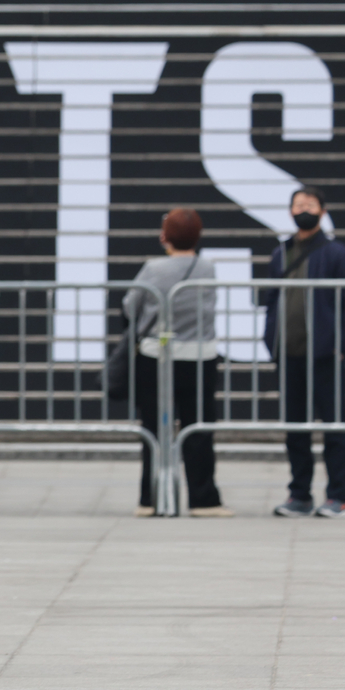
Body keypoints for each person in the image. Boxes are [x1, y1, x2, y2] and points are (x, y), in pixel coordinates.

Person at [123, 208, 231, 518]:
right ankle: (204, 499)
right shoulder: (207, 267)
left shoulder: (154, 268)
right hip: (201, 356)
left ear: (164, 236)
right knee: (198, 428)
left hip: (157, 355)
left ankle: (152, 498)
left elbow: (132, 305)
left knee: (155, 430)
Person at [263, 186, 345, 518]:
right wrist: (270, 339)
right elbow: (272, 300)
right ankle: (300, 495)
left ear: (322, 210)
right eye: (297, 204)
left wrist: (341, 346)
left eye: (309, 204)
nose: (302, 208)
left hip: (324, 355)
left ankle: (339, 497)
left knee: (334, 428)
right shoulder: (281, 252)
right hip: (289, 354)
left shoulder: (338, 254)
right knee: (296, 429)